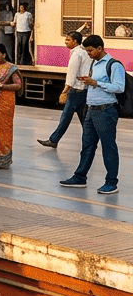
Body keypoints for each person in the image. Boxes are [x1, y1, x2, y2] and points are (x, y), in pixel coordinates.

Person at [61, 34, 122, 194]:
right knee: (87, 145)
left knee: (108, 147)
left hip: (106, 110)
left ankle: (111, 182)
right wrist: (87, 82)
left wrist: (96, 82)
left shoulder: (114, 65)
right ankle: (80, 177)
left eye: (90, 51)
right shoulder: (94, 64)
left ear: (100, 48)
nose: (88, 53)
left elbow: (119, 87)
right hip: (91, 109)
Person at [40, 30, 91, 149]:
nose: (65, 42)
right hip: (84, 90)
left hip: (76, 91)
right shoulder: (84, 52)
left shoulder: (76, 54)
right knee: (84, 120)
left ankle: (54, 140)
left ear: (75, 41)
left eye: (68, 40)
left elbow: (71, 73)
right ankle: (90, 140)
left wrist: (65, 90)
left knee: (65, 118)